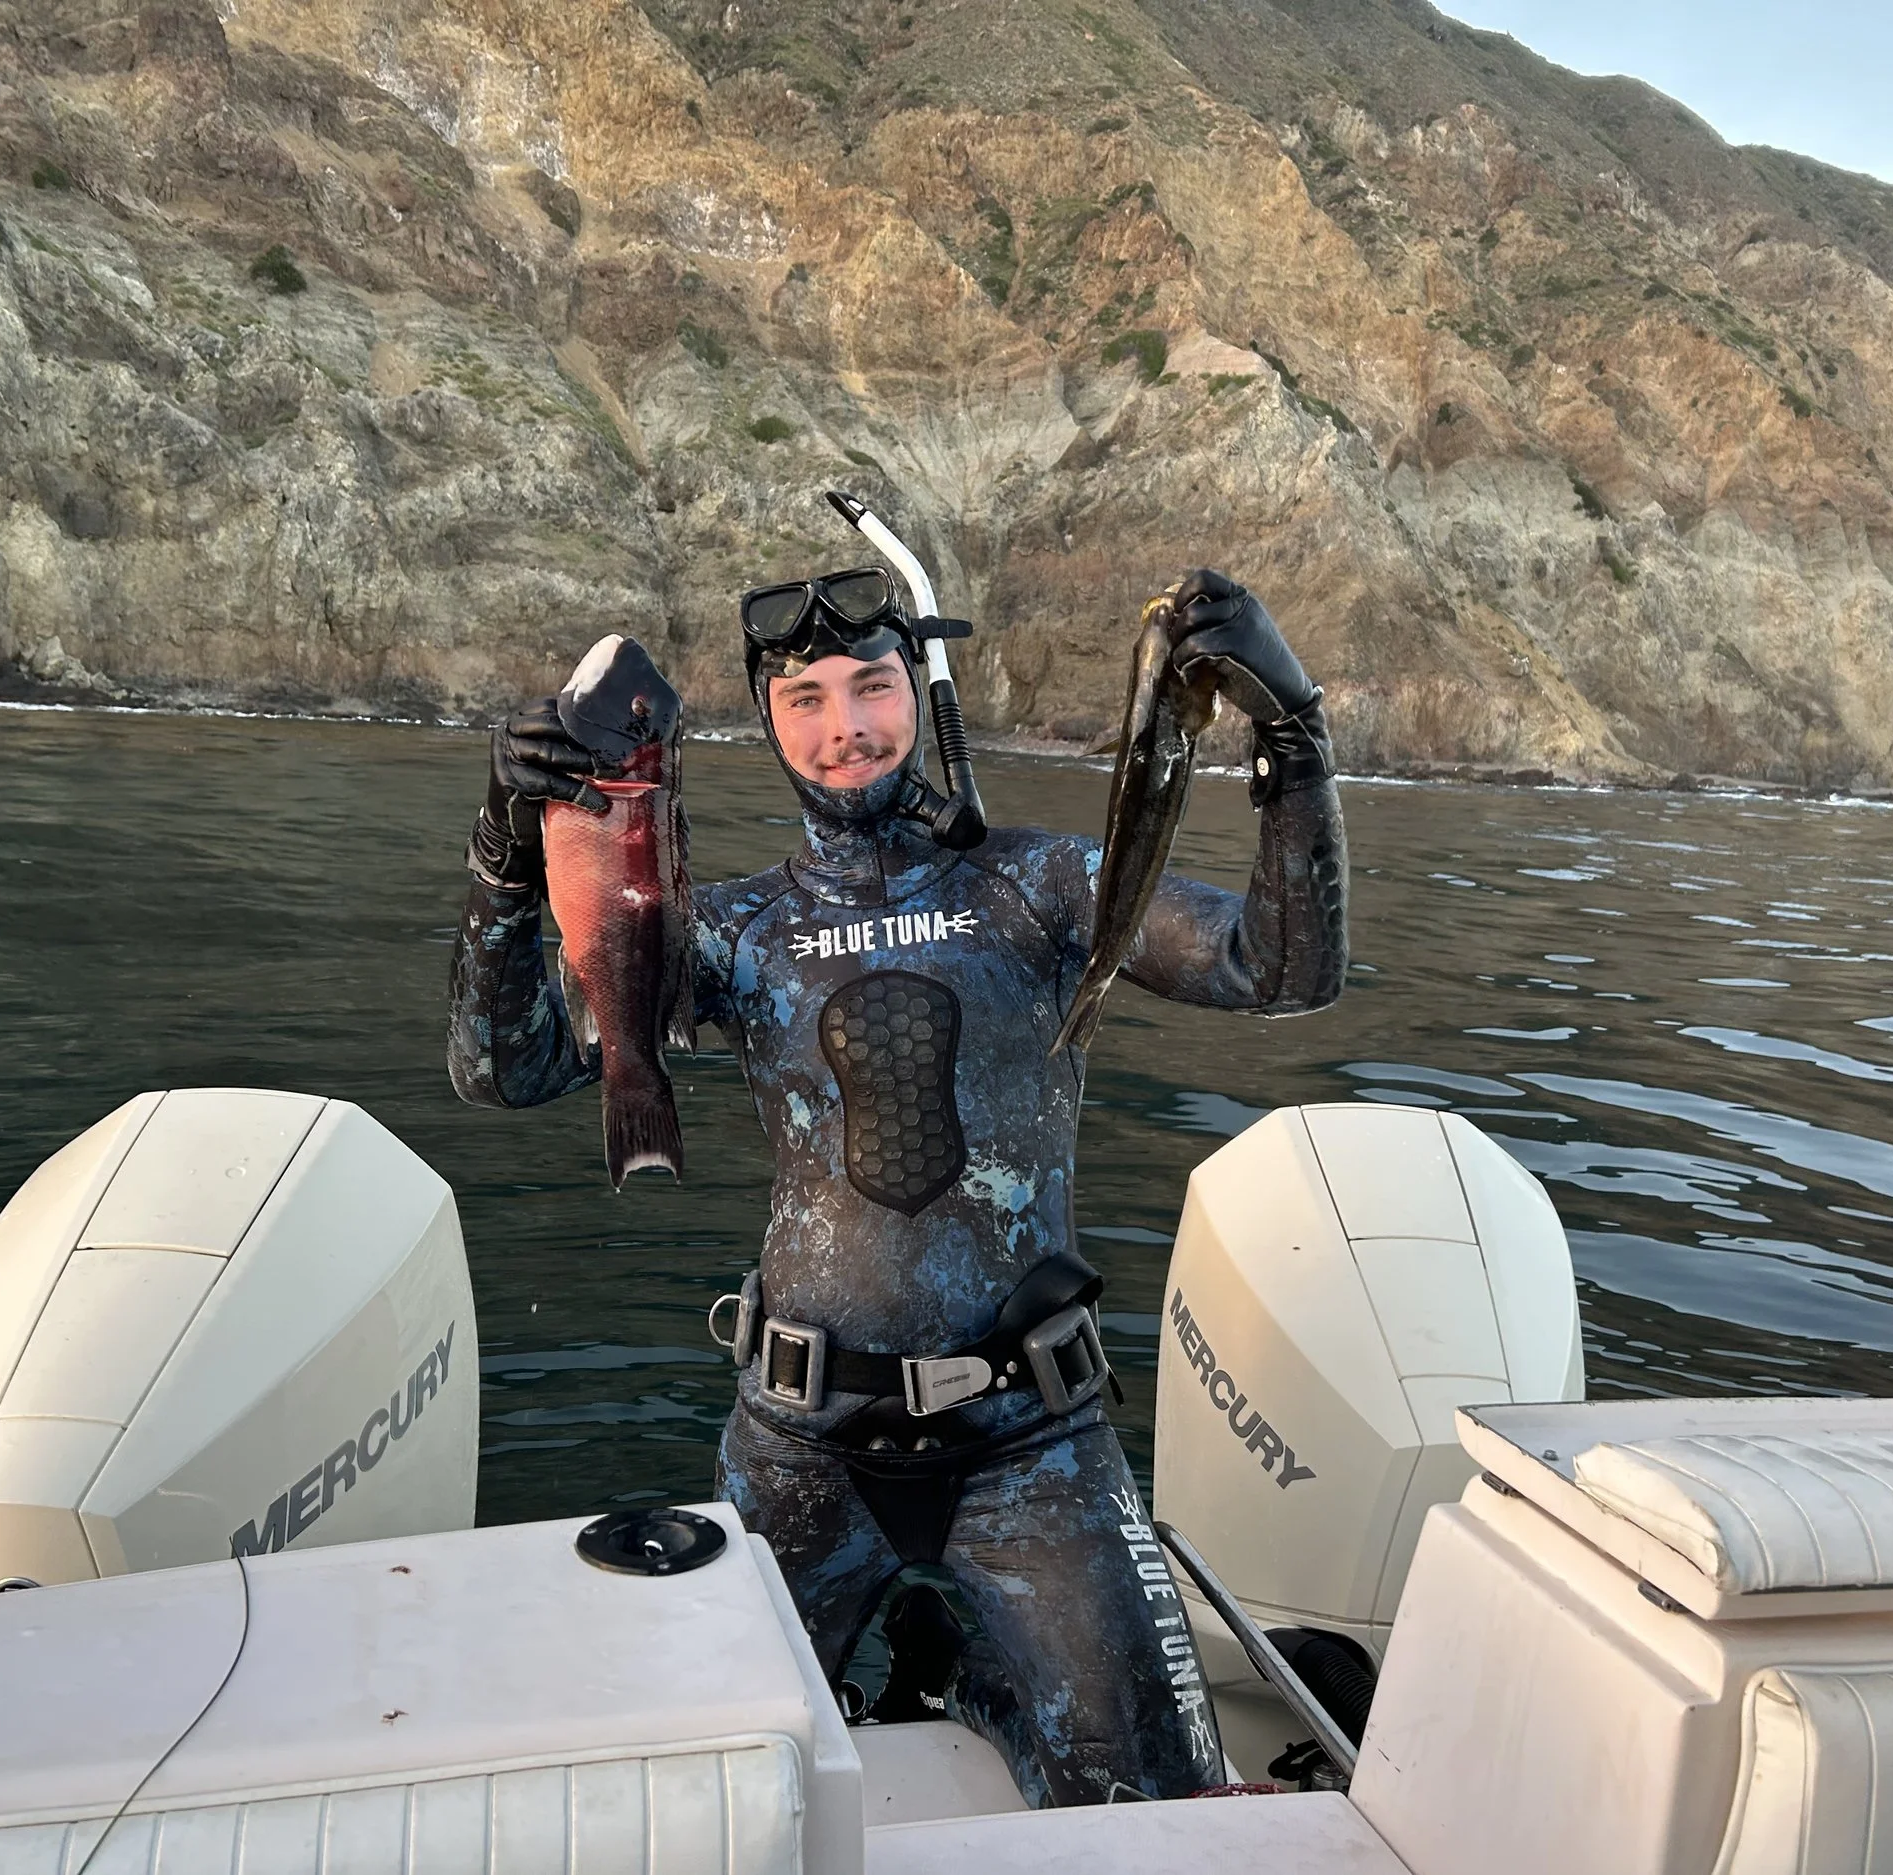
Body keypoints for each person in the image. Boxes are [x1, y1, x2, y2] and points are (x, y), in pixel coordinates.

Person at [447, 565, 1349, 1805]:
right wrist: (504, 859)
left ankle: (977, 1674)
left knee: (1159, 1824)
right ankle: (963, 1669)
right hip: (795, 1451)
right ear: (766, 724)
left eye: (870, 687)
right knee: (700, 1809)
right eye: (804, 699)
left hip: (1036, 1447)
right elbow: (509, 1070)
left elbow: (1279, 968)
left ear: (920, 695)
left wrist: (1291, 733)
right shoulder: (728, 930)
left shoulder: (1038, 890)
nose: (843, 728)